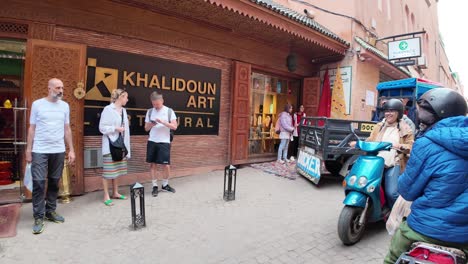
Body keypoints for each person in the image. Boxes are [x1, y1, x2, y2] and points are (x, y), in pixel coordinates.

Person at [384, 88, 468, 263]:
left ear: (440, 114)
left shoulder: (425, 142)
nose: (421, 117)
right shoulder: (381, 126)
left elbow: (407, 191)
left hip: (425, 228)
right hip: (464, 236)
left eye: (426, 112)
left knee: (393, 257)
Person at [26, 78, 75, 235]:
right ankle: (38, 216)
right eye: (57, 87)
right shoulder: (37, 104)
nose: (61, 90)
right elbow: (32, 128)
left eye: (62, 88)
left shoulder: (65, 106)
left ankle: (50, 211)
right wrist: (28, 150)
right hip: (40, 149)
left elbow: (67, 129)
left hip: (58, 149)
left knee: (54, 181)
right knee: (39, 183)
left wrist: (71, 150)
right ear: (49, 88)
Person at [351, 99, 414, 208]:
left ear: (398, 113)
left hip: (394, 163)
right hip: (375, 162)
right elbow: (370, 140)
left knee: (392, 193)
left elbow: (411, 147)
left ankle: (396, 214)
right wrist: (358, 143)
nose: (388, 113)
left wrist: (400, 146)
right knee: (363, 185)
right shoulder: (379, 126)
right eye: (387, 111)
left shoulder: (406, 129)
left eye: (392, 111)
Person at [99, 89, 131, 206]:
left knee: (116, 170)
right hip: (110, 145)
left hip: (120, 145)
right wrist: (115, 128)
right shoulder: (108, 109)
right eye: (126, 97)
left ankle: (115, 192)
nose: (127, 100)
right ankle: (106, 195)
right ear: (120, 97)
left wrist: (127, 149)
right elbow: (102, 128)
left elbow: (126, 132)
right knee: (108, 172)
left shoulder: (124, 111)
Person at [144, 92, 178, 197]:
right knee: (153, 164)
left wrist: (163, 122)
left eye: (158, 104)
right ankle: (154, 186)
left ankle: (165, 184)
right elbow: (146, 128)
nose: (156, 106)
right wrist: (152, 123)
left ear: (162, 101)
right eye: (154, 104)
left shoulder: (169, 111)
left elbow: (174, 126)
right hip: (152, 141)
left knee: (166, 165)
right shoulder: (149, 112)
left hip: (164, 142)